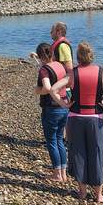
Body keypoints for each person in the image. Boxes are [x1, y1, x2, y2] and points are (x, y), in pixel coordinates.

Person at [52, 41, 103, 202]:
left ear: (78, 58)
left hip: (75, 117)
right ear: (92, 57)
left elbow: (53, 89)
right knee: (96, 153)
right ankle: (98, 195)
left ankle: (82, 192)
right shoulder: (101, 73)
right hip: (95, 118)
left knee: (78, 153)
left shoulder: (73, 74)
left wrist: (64, 104)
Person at [33, 43, 71, 182]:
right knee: (60, 139)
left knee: (52, 141)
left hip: (51, 108)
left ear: (41, 56)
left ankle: (57, 174)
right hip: (64, 105)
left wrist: (38, 91)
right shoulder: (60, 65)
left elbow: (48, 88)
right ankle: (64, 173)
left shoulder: (44, 69)